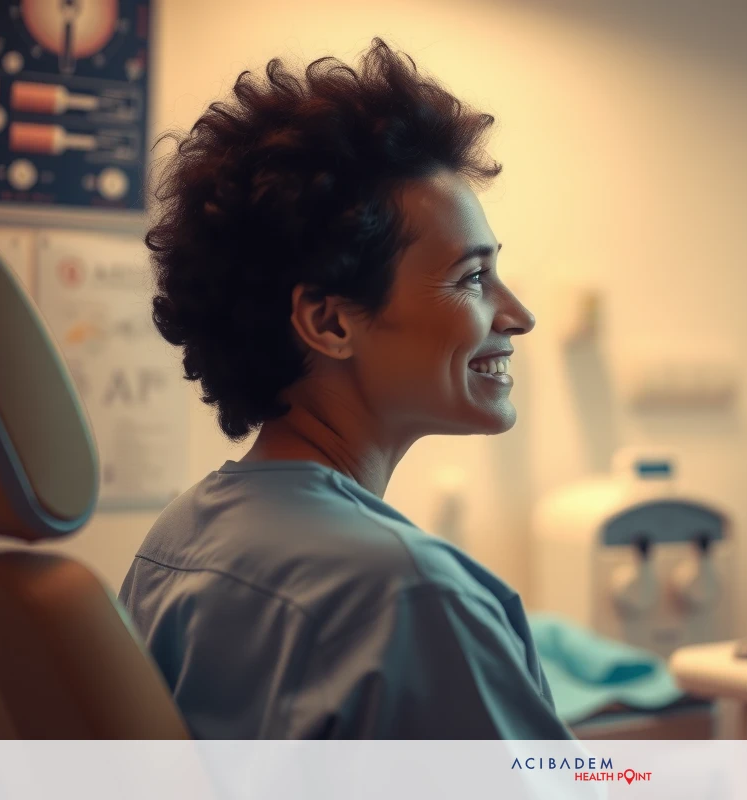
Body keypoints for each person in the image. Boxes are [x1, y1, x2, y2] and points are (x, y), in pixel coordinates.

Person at [119, 38, 572, 739]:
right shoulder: (411, 595)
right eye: (473, 278)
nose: (518, 315)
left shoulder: (177, 542)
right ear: (329, 321)